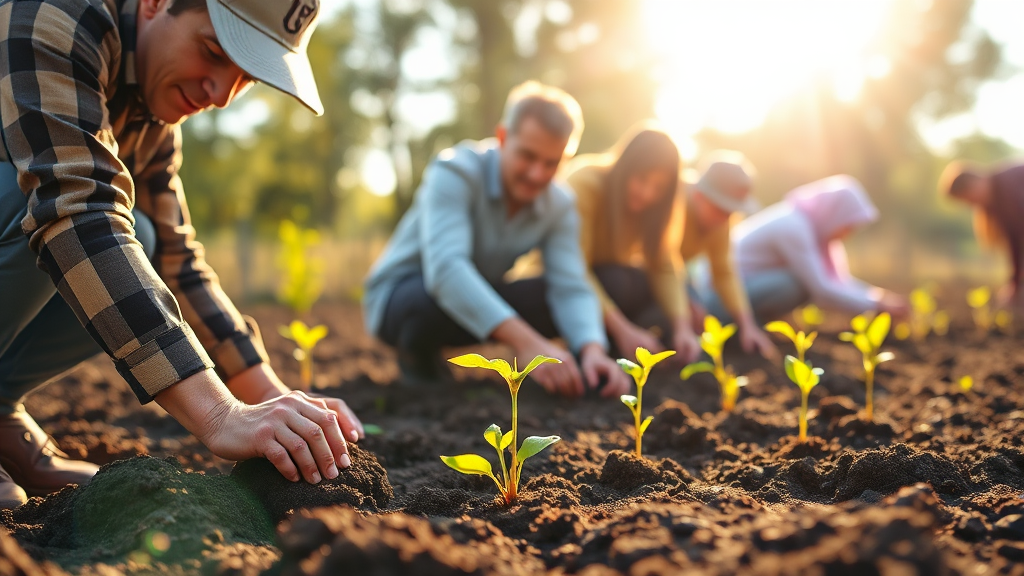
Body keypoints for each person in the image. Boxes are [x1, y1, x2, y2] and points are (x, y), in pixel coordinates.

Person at [0, 0, 363, 510]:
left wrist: (268, 396)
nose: (220, 95)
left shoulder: (150, 115)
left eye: (245, 79)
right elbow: (76, 212)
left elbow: (176, 259)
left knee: (144, 237)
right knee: (43, 201)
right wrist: (218, 415)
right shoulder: (55, 15)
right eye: (212, 52)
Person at [362, 81, 632, 399]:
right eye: (528, 156)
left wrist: (592, 349)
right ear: (503, 138)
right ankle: (417, 356)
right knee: (428, 297)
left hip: (475, 300)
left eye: (552, 163)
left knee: (553, 291)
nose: (537, 174)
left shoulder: (559, 203)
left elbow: (570, 284)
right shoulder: (455, 171)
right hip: (403, 299)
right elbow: (447, 271)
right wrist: (528, 343)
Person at [562, 125, 702, 362]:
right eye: (642, 179)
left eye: (658, 188)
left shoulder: (651, 210)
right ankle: (593, 350)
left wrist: (682, 327)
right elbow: (573, 269)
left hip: (608, 287)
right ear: (625, 167)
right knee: (618, 282)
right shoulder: (586, 183)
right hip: (559, 285)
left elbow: (664, 265)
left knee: (665, 295)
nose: (647, 193)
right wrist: (623, 330)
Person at [715, 175, 907, 321]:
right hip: (717, 296)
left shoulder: (812, 228)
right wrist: (877, 306)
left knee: (797, 281)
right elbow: (822, 288)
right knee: (794, 284)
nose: (848, 234)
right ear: (834, 213)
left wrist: (877, 295)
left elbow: (839, 281)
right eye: (848, 225)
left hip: (742, 289)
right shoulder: (794, 226)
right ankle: (742, 327)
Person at [679, 152, 777, 359]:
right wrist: (685, 297)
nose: (725, 219)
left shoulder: (720, 222)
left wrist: (747, 325)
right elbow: (655, 261)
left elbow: (724, 273)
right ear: (699, 197)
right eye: (721, 209)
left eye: (731, 212)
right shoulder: (673, 202)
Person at [939, 161, 1024, 309]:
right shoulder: (999, 200)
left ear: (973, 185)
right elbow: (1015, 242)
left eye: (968, 199)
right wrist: (1015, 283)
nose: (972, 205)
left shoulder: (1008, 187)